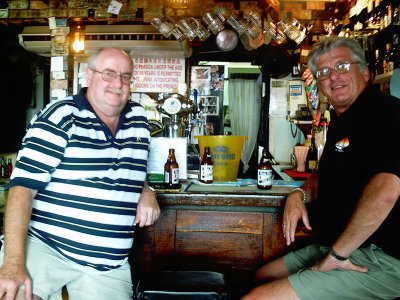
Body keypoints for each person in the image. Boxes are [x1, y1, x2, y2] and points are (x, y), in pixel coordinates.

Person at [242, 36, 400, 300]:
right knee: (262, 277)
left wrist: (338, 255)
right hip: (340, 244)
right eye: (324, 72)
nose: (333, 77)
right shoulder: (344, 120)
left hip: (382, 255)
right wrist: (298, 195)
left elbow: (387, 190)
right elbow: (324, 177)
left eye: (342, 66)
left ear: (364, 71)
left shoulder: (386, 113)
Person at [0, 47, 161, 300]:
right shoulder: (61, 116)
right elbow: (22, 188)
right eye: (108, 74)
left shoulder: (138, 117)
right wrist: (11, 264)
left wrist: (145, 190)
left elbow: (134, 166)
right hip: (47, 247)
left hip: (108, 265)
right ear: (89, 76)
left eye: (125, 76)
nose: (117, 83)